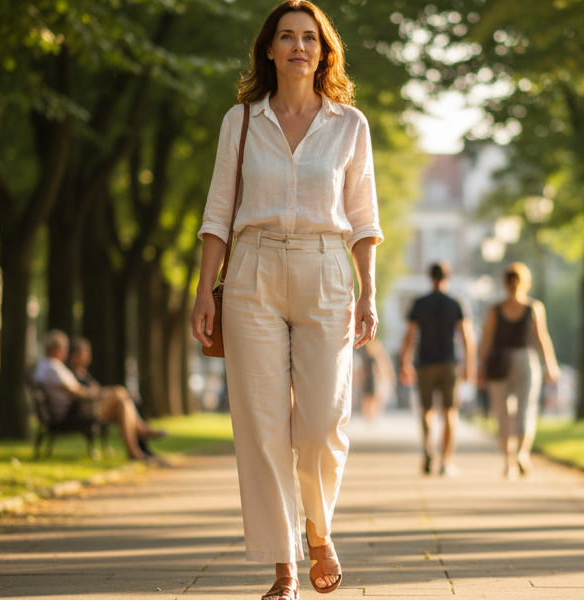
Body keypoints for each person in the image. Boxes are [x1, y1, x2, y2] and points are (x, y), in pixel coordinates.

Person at [189, 2, 382, 598]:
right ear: (269, 50)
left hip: (326, 270)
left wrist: (368, 290)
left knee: (324, 423)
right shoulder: (241, 121)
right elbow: (219, 211)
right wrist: (203, 292)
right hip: (253, 272)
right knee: (262, 426)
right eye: (287, 37)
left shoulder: (349, 125)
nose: (299, 46)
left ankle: (318, 530)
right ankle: (284, 566)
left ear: (324, 52)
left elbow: (363, 218)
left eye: (310, 38)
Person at [477, 263, 560, 478]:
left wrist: (480, 367)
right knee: (525, 411)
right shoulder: (534, 308)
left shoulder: (495, 310)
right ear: (526, 282)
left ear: (504, 283)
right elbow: (542, 338)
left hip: (498, 363)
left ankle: (509, 460)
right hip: (526, 361)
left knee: (502, 414)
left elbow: (486, 341)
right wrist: (550, 364)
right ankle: (522, 453)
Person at [33, 330, 163, 461]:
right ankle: (139, 437)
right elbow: (76, 392)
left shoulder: (44, 367)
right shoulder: (53, 368)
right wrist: (95, 393)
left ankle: (136, 447)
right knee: (119, 395)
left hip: (71, 412)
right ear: (57, 349)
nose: (66, 352)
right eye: (64, 349)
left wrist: (96, 392)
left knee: (122, 400)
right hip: (73, 414)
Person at [399, 262, 476, 477]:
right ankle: (445, 461)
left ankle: (428, 451)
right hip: (449, 363)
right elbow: (467, 337)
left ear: (430, 278)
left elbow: (410, 335)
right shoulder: (456, 303)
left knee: (426, 411)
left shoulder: (420, 303)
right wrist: (469, 366)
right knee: (450, 412)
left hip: (425, 363)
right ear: (447, 278)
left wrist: (405, 362)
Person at [67, 336, 158, 457]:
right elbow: (80, 392)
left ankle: (137, 450)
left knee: (124, 404)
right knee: (120, 394)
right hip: (83, 411)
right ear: (74, 355)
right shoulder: (69, 374)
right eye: (85, 353)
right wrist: (98, 393)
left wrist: (99, 392)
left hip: (92, 407)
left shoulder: (84, 374)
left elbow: (95, 390)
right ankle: (140, 433)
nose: (88, 356)